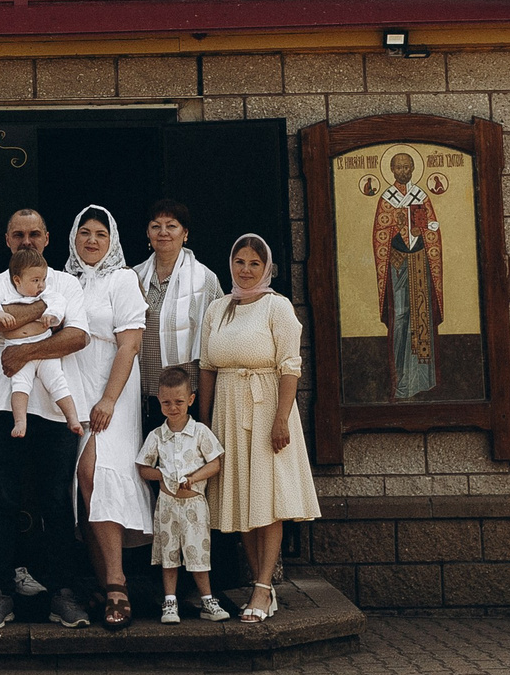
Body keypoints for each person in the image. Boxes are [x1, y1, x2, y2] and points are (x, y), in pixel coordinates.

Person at [0, 207, 92, 631]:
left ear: (47, 237)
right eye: (19, 235)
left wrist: (21, 348)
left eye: (34, 234)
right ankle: (0, 592)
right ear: (6, 239)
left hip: (54, 410)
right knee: (0, 503)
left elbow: (77, 336)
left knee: (57, 504)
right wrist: (41, 311)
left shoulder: (67, 283)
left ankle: (63, 592)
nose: (27, 241)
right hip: (2, 408)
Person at [198, 233, 320, 623]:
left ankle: (264, 588)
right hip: (228, 413)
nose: (246, 270)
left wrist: (281, 418)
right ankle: (258, 581)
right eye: (239, 262)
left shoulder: (277, 307)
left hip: (266, 408)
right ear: (230, 265)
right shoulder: (218, 309)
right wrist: (202, 424)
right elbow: (206, 367)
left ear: (266, 267)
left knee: (267, 501)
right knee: (242, 501)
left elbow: (290, 365)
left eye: (254, 263)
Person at [64, 204, 152, 631]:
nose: (92, 240)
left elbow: (129, 344)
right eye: (85, 232)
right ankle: (103, 584)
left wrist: (109, 399)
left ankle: (118, 583)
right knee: (85, 481)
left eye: (101, 233)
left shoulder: (123, 280)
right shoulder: (65, 281)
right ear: (74, 238)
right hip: (73, 390)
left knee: (99, 472)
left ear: (112, 239)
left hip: (110, 388)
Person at [136, 365, 227, 625]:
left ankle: (207, 600)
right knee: (169, 554)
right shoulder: (157, 436)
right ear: (159, 402)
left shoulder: (200, 432)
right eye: (166, 403)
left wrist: (194, 478)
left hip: (194, 505)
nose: (173, 408)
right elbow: (143, 468)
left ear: (190, 400)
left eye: (178, 402)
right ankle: (170, 602)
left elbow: (215, 463)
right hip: (167, 505)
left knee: (198, 553)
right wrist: (162, 477)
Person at [0, 251, 81, 438]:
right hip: (17, 351)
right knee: (20, 386)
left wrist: (52, 315)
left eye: (43, 279)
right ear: (17, 280)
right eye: (35, 280)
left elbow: (58, 303)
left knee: (58, 383)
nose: (41, 285)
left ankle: (72, 418)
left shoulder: (47, 294)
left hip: (43, 349)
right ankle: (20, 421)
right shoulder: (4, 292)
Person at [137, 199, 222, 407]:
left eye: (171, 226)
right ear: (148, 233)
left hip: (187, 398)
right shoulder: (133, 277)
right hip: (142, 395)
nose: (163, 232)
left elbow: (218, 337)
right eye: (156, 226)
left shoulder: (205, 280)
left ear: (185, 234)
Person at [374, 152, 444, 400]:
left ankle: (422, 381)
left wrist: (425, 228)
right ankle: (401, 381)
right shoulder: (386, 198)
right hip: (397, 264)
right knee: (401, 316)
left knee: (420, 316)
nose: (403, 170)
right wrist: (397, 227)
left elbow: (429, 229)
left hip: (419, 262)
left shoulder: (420, 196)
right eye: (399, 167)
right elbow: (381, 234)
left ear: (413, 168)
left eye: (407, 166)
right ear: (392, 170)